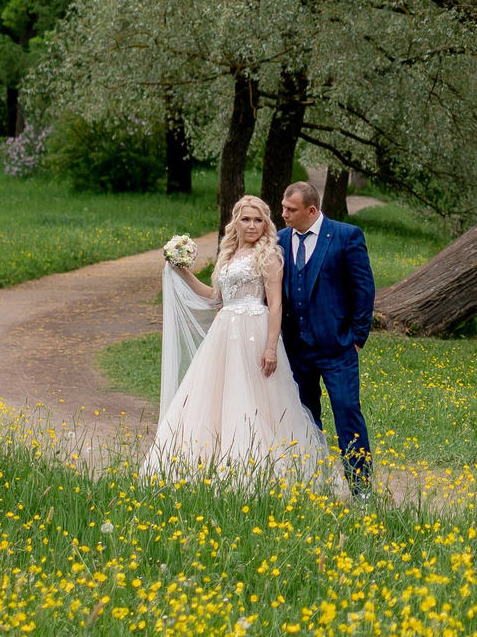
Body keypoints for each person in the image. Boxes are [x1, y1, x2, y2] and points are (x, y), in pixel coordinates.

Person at [142, 195, 344, 495]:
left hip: (255, 329)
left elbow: (275, 305)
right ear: (235, 221)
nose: (252, 226)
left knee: (257, 399)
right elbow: (215, 297)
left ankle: (259, 471)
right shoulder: (229, 255)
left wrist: (271, 347)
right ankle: (213, 465)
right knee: (219, 397)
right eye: (246, 219)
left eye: (258, 220)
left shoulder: (269, 255)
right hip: (225, 332)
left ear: (267, 223)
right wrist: (181, 269)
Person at [278, 179, 376, 497]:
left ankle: (360, 488)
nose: (283, 214)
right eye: (282, 207)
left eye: (290, 209)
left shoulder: (346, 236)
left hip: (337, 347)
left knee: (347, 411)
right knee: (304, 416)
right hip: (295, 349)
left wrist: (357, 337)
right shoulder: (279, 240)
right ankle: (312, 481)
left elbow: (364, 290)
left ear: (311, 210)